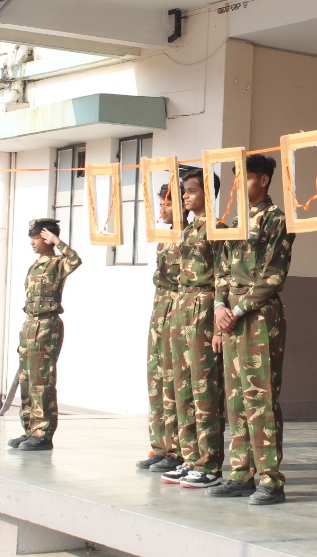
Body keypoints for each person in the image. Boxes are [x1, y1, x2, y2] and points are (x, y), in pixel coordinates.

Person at [208, 154, 295, 505]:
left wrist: (238, 309)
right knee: (236, 398)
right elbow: (221, 270)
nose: (237, 185)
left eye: (244, 178)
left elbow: (274, 274)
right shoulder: (234, 222)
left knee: (261, 397)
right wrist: (219, 306)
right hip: (230, 316)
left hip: (258, 316)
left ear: (263, 180)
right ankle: (240, 474)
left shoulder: (277, 220)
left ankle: (271, 480)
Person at [161, 168, 226, 488]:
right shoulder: (185, 230)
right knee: (181, 386)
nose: (184, 196)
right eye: (183, 191)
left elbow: (224, 276)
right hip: (182, 305)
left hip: (204, 304)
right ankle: (189, 457)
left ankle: (209, 463)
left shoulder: (218, 229)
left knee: (204, 387)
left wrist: (219, 325)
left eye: (191, 190)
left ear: (207, 194)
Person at [7, 217, 82, 451]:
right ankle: (30, 428)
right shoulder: (36, 264)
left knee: (42, 381)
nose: (32, 242)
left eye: (36, 238)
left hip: (47, 325)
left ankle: (43, 433)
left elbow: (75, 260)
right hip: (30, 325)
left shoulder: (57, 263)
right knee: (27, 380)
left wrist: (57, 241)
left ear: (47, 238)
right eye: (31, 238)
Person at [137, 184, 183, 472]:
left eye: (167, 204)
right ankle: (161, 445)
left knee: (175, 383)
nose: (161, 210)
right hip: (160, 313)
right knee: (157, 381)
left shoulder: (189, 237)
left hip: (179, 312)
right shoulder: (164, 240)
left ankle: (177, 450)